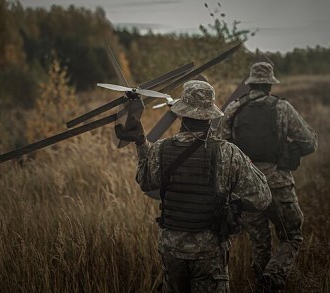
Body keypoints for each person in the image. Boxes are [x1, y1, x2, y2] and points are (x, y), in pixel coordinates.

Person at [115, 80, 271, 292]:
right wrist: (231, 201)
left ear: (181, 114)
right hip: (208, 253)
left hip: (171, 250)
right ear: (209, 116)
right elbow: (262, 198)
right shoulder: (228, 153)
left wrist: (142, 143)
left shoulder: (161, 148)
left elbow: (145, 181)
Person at [217, 62, 318, 291]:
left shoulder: (233, 109)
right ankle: (273, 277)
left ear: (250, 84)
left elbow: (221, 147)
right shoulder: (282, 108)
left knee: (260, 244)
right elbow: (310, 143)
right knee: (291, 236)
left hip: (247, 188)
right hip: (278, 184)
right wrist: (291, 149)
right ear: (270, 85)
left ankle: (262, 285)